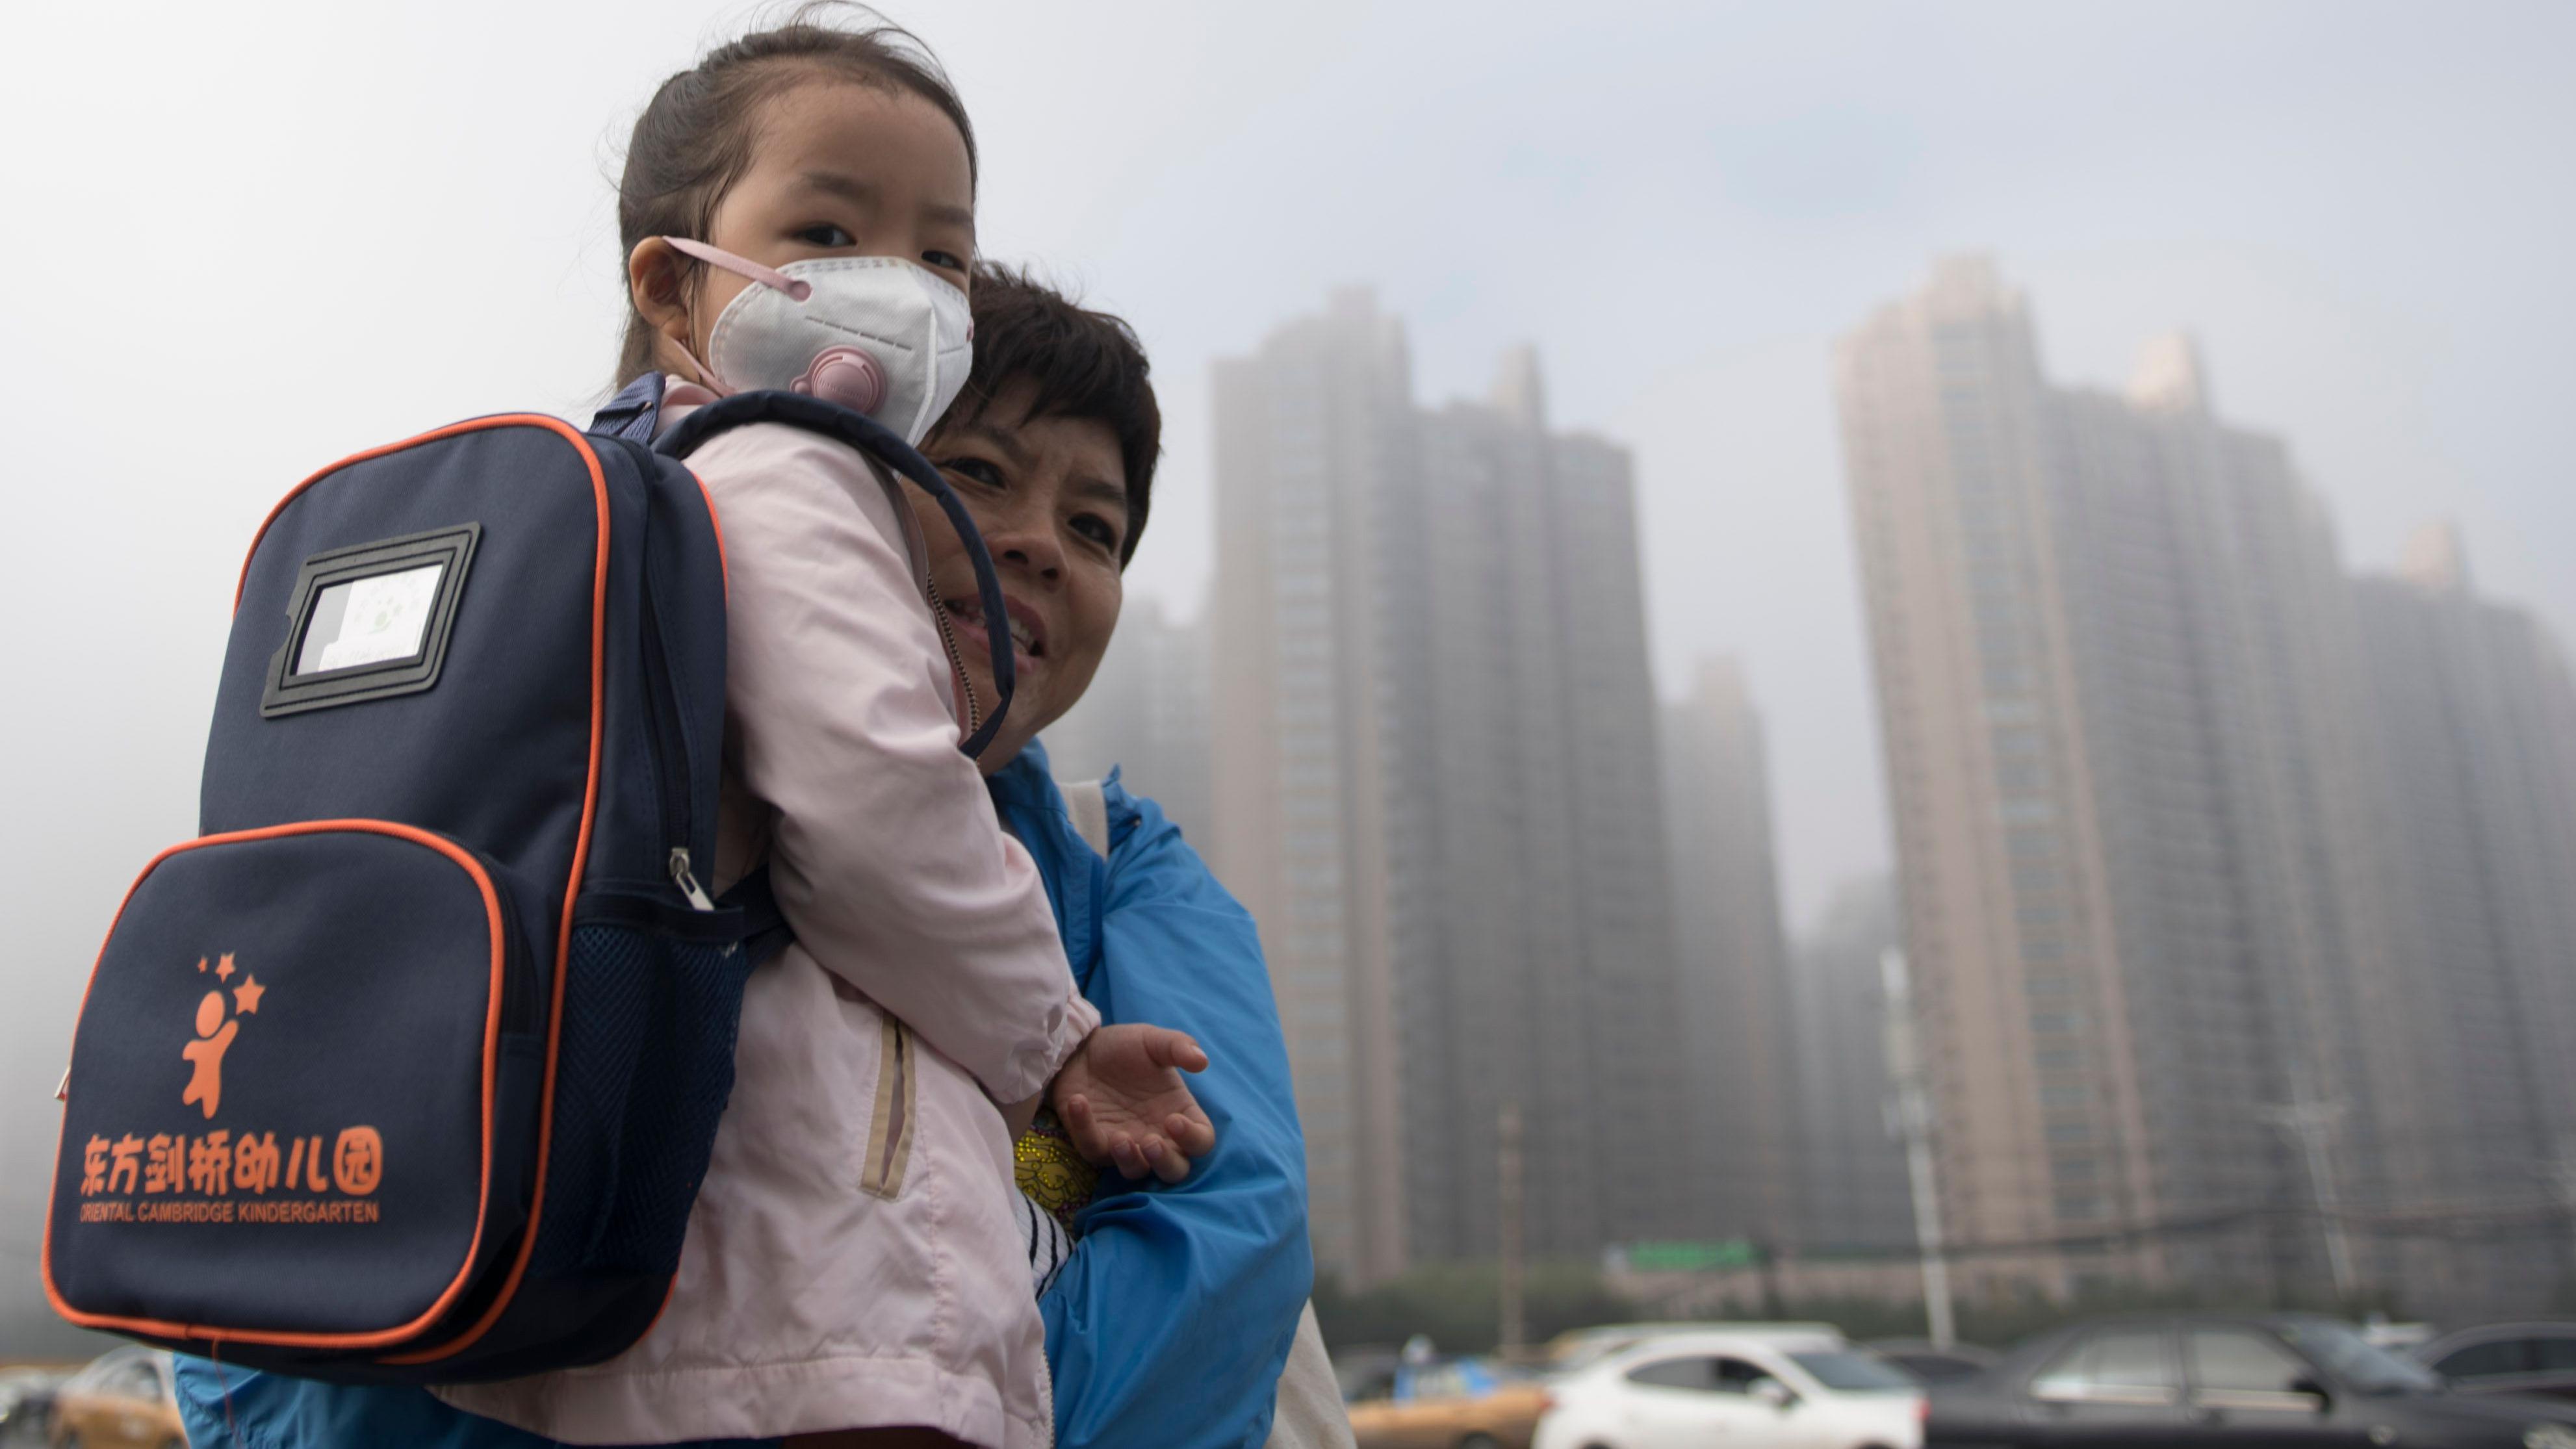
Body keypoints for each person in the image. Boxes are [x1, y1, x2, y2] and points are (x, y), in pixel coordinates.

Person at [182, 14, 1218, 1449]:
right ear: (676, 280)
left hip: (604, 1271)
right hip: (813, 1291)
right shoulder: (789, 468)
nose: (893, 286)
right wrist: (1055, 1041)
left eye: (939, 257)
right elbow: (874, 801)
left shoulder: (624, 498)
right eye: (829, 227)